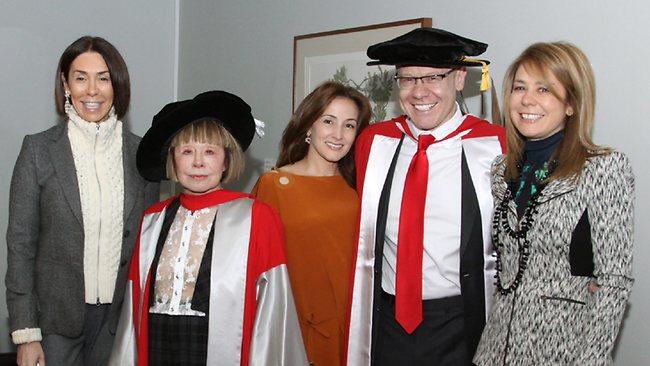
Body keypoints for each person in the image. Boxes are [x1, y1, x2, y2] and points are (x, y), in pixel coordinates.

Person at [108, 90, 308, 366]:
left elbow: (275, 313)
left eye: (210, 152)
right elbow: (133, 313)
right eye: (187, 151)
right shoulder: (152, 221)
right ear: (172, 159)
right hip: (158, 349)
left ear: (226, 160)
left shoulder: (257, 218)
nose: (198, 162)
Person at [344, 28, 506, 365]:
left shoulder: (494, 146)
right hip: (386, 320)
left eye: (433, 77)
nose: (419, 92)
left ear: (460, 78)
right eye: (407, 79)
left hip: (462, 320)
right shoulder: (375, 143)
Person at [473, 42, 634, 366]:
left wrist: (591, 359)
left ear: (571, 102)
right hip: (494, 351)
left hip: (563, 352)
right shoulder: (501, 171)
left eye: (544, 88)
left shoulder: (604, 168)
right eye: (520, 87)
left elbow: (614, 281)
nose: (527, 100)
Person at [6, 36, 159, 366]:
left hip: (119, 324)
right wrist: (26, 332)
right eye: (80, 77)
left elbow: (147, 248)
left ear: (117, 85)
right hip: (55, 325)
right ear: (65, 84)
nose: (92, 90)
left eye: (103, 78)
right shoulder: (37, 152)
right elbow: (20, 246)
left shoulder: (141, 155)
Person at [251, 81, 371, 365]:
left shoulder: (361, 186)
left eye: (349, 125)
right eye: (328, 121)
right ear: (308, 126)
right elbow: (257, 269)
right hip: (299, 328)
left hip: (356, 327)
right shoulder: (275, 185)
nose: (338, 135)